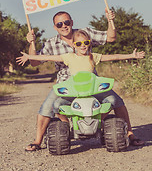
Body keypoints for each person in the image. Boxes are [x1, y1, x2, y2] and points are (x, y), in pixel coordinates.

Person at [21, 9, 144, 151]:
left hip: (92, 84)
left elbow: (111, 39)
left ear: (71, 22)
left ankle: (128, 134)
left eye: (66, 22)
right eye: (59, 24)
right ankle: (40, 140)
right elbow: (36, 62)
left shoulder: (85, 35)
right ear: (55, 27)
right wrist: (31, 44)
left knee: (116, 101)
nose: (64, 26)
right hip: (66, 85)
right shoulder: (53, 45)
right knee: (49, 106)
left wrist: (110, 20)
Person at [17, 29, 145, 122]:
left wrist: (132, 55)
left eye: (85, 43)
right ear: (73, 45)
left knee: (113, 101)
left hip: (92, 89)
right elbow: (47, 57)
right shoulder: (69, 57)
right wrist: (29, 56)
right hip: (75, 91)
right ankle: (66, 125)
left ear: (89, 43)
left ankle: (98, 121)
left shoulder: (93, 56)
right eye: (78, 44)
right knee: (56, 105)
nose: (82, 46)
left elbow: (114, 57)